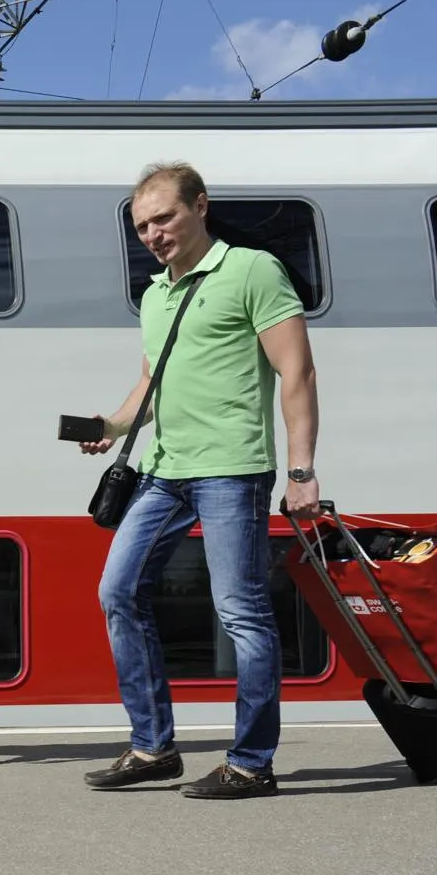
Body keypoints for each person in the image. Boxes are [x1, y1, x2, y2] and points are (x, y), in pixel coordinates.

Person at [78, 160, 322, 799]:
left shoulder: (252, 270)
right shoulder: (155, 295)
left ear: (200, 206)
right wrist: (110, 423)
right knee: (117, 592)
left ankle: (250, 761)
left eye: (164, 217)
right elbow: (150, 386)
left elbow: (297, 375)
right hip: (163, 472)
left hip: (232, 470)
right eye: (141, 226)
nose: (153, 233)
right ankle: (153, 747)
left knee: (241, 612)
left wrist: (300, 470)